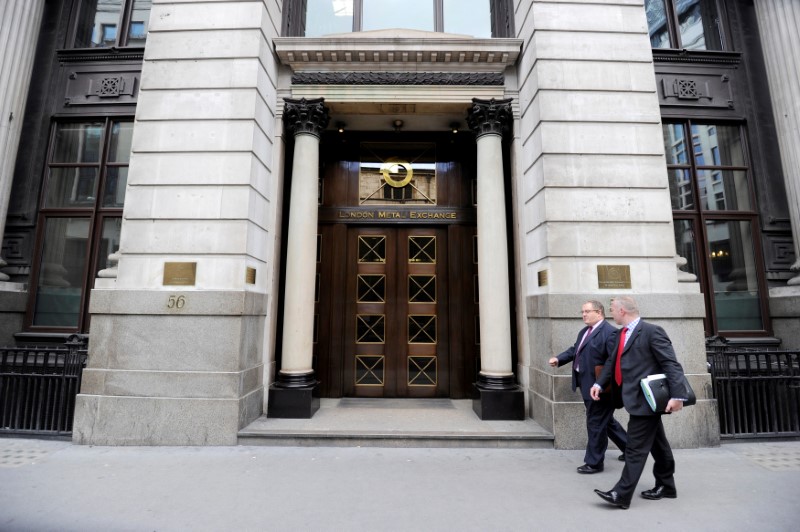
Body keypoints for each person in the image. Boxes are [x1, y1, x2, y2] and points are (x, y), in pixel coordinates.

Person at [590, 296, 690, 510]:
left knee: (634, 449)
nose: (611, 313)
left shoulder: (652, 331)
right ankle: (666, 485)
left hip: (647, 400)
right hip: (632, 398)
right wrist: (600, 383)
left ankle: (621, 494)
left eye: (612, 310)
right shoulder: (620, 334)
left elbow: (671, 364)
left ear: (622, 311)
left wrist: (678, 396)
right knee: (658, 444)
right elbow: (611, 362)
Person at [549, 300, 627, 474]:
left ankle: (594, 462)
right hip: (586, 384)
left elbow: (612, 362)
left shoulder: (609, 333)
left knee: (596, 423)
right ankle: (629, 448)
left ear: (599, 313)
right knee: (605, 421)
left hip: (600, 388)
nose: (584, 314)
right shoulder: (585, 331)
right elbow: (575, 350)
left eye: (587, 311)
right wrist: (559, 359)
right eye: (582, 311)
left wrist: (600, 384)